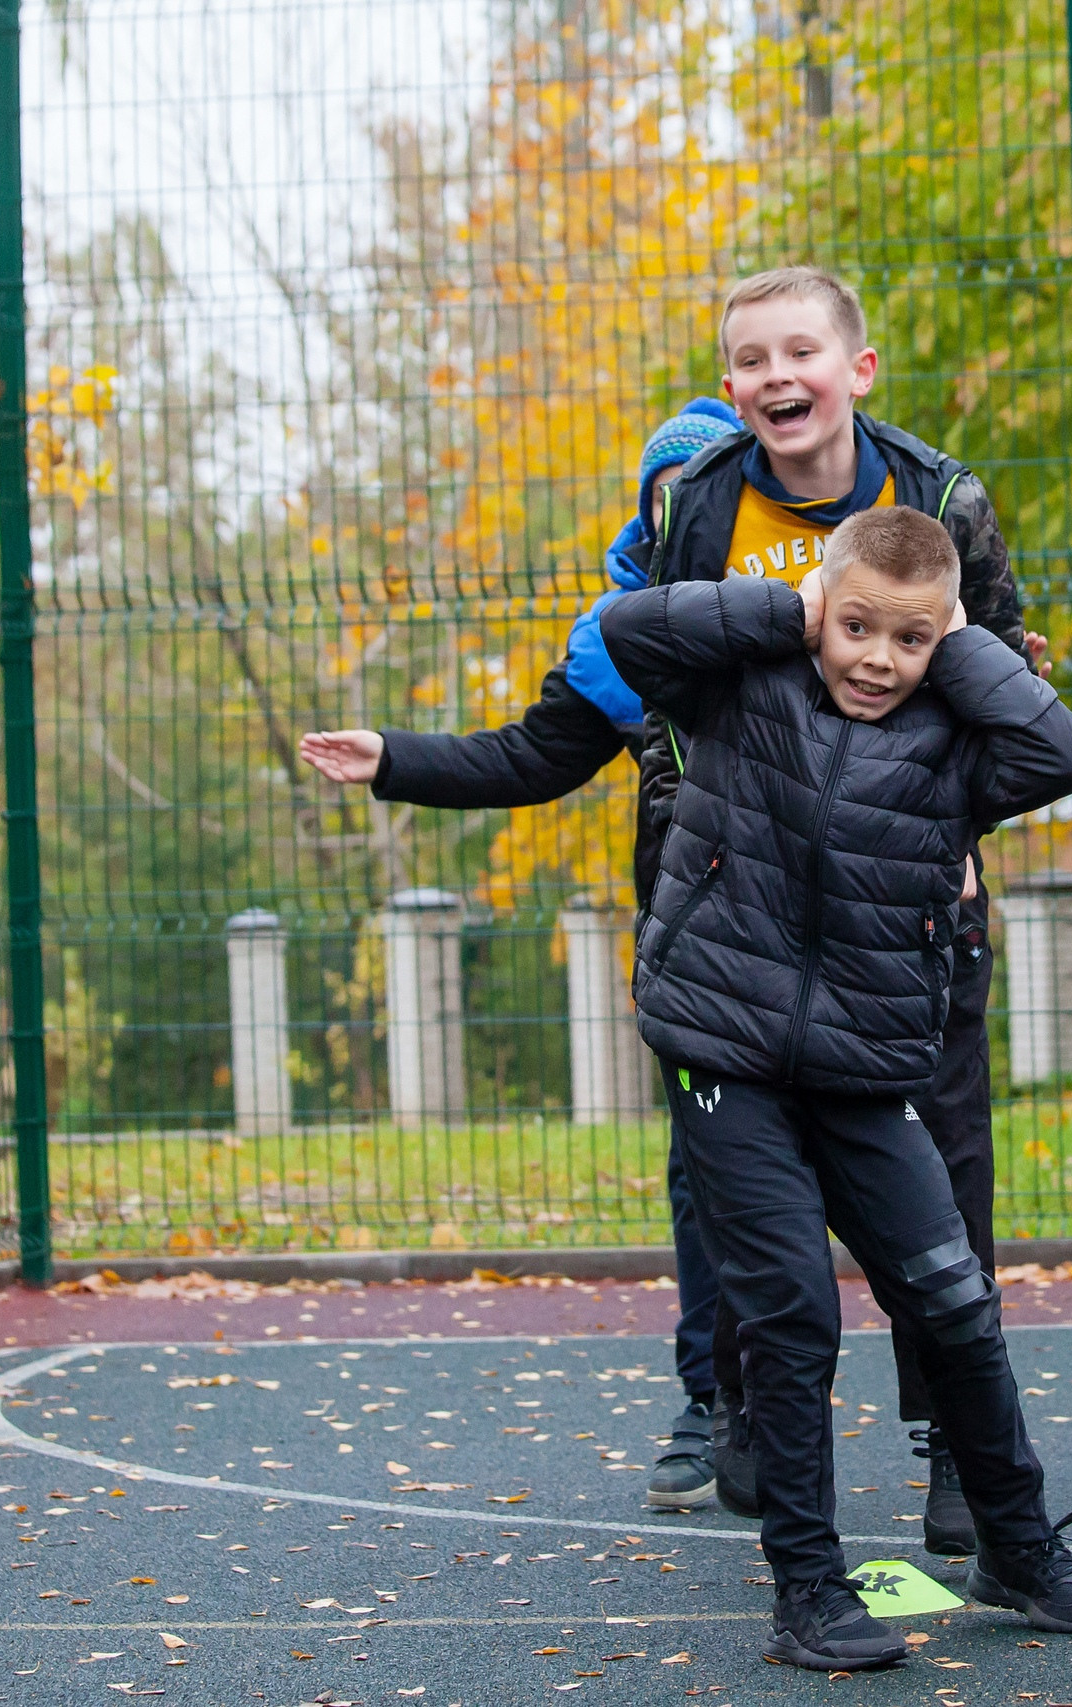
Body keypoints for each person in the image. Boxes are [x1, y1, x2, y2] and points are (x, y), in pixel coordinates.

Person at [601, 506, 1072, 1669]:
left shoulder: (952, 739)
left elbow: (1066, 754)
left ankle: (1014, 1545)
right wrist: (779, 609)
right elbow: (626, 632)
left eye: (909, 640)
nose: (877, 660)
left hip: (864, 1068)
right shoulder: (739, 688)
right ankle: (806, 1587)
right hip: (722, 1052)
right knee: (793, 1310)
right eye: (855, 629)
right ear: (816, 612)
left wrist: (963, 635)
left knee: (953, 1299)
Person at [643, 264, 1037, 1554]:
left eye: (799, 353)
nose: (777, 379)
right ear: (729, 389)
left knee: (942, 1163)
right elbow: (665, 677)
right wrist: (685, 843)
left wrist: (958, 839)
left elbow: (1001, 682)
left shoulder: (938, 498)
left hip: (897, 895)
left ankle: (951, 1448)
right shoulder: (698, 506)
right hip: (743, 899)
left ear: (855, 370)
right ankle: (751, 1395)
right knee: (731, 1169)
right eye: (751, 362)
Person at [297, 398, 740, 1509]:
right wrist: (393, 757)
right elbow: (532, 757)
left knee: (898, 1185)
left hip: (844, 942)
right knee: (714, 1180)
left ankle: (948, 1428)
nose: (686, 511)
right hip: (703, 947)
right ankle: (719, 1401)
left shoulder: (814, 604)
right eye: (666, 497)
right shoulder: (626, 634)